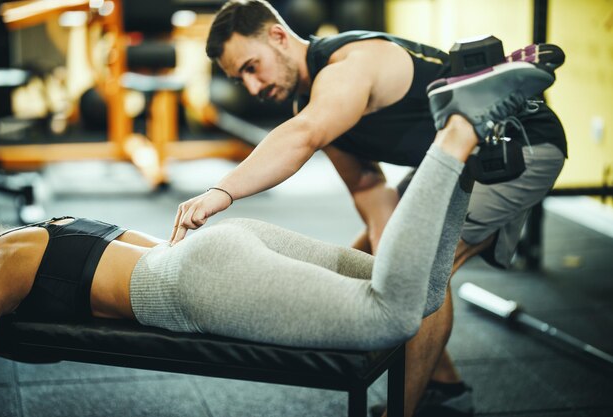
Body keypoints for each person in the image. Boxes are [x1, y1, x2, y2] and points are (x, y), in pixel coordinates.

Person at [0, 63, 553, 416]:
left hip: (193, 283)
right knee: (424, 296)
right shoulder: (44, 232)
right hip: (224, 246)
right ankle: (477, 139)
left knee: (391, 315)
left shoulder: (2, 259)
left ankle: (454, 134)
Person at [170, 1, 567, 415]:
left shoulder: (351, 63)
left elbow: (303, 135)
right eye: (240, 78)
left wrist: (223, 190)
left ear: (278, 36)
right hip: (451, 165)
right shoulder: (309, 102)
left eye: (252, 67)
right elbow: (368, 188)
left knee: (424, 269)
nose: (252, 87)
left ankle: (404, 411)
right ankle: (446, 391)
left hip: (517, 147)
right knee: (362, 262)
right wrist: (385, 252)